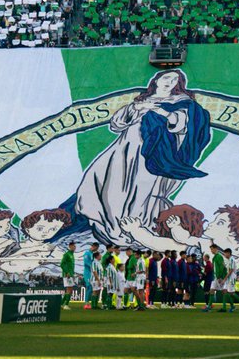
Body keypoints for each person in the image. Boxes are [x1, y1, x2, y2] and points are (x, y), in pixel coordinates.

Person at [77, 70, 210, 245]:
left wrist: (161, 112)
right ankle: (113, 228)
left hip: (152, 154)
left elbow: (182, 126)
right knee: (104, 183)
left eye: (174, 79)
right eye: (166, 77)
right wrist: (135, 108)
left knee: (141, 192)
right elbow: (117, 124)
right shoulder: (140, 101)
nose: (169, 82)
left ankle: (137, 230)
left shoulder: (181, 103)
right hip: (123, 150)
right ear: (156, 80)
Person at [60, 241, 76, 307]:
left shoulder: (72, 254)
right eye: (73, 246)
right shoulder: (67, 254)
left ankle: (61, 304)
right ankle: (65, 305)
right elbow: (62, 264)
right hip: (67, 275)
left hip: (71, 274)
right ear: (70, 246)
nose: (74, 247)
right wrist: (67, 272)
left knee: (70, 289)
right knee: (69, 289)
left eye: (75, 246)